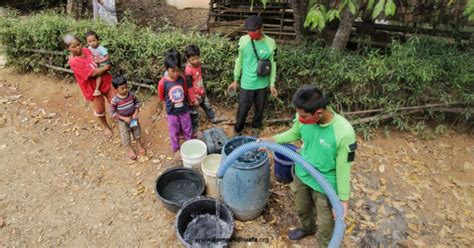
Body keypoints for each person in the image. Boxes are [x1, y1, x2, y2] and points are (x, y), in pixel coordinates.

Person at [259, 85, 357, 247]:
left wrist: (343, 200)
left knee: (326, 225)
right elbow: (294, 133)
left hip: (325, 185)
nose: (299, 118)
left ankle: (326, 244)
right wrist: (272, 140)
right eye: (298, 114)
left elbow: (344, 168)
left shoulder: (343, 132)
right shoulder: (303, 116)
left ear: (318, 112)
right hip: (302, 174)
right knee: (302, 209)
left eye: (303, 116)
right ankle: (307, 228)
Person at [228, 15, 278, 136]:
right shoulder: (243, 40)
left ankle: (256, 127)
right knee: (242, 109)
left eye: (254, 31)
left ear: (261, 28)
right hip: (247, 83)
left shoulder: (271, 43)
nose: (251, 33)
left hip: (262, 84)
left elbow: (273, 63)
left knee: (259, 109)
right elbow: (239, 60)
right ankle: (238, 129)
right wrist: (235, 79)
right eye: (249, 31)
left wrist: (272, 84)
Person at [65, 34, 115, 138]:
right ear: (68, 48)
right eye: (73, 47)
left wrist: (102, 62)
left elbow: (97, 56)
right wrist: (106, 68)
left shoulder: (87, 50)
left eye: (78, 44)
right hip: (92, 88)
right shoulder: (74, 62)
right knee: (99, 109)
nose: (78, 48)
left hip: (105, 80)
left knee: (114, 100)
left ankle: (119, 117)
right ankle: (105, 126)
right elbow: (92, 73)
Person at [157, 49, 198, 160]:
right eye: (172, 71)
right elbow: (162, 97)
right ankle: (176, 149)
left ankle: (189, 144)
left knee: (187, 128)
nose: (175, 74)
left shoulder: (182, 79)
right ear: (166, 69)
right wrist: (165, 109)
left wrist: (190, 101)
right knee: (174, 131)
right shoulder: (163, 83)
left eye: (177, 70)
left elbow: (185, 92)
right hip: (172, 113)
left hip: (184, 110)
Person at [184, 44, 224, 137]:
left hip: (201, 92)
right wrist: (193, 99)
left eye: (197, 58)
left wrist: (202, 90)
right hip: (194, 96)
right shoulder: (188, 71)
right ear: (188, 59)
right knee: (194, 114)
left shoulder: (198, 65)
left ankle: (213, 118)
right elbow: (189, 87)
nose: (196, 61)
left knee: (207, 106)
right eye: (193, 59)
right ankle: (195, 130)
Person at [110, 75, 145, 160]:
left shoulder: (131, 95)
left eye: (126, 87)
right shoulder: (115, 101)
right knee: (125, 134)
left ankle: (138, 144)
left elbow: (137, 103)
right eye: (122, 88)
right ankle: (129, 148)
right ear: (115, 90)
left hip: (133, 118)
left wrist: (136, 112)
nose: (125, 90)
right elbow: (112, 112)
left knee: (136, 130)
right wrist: (124, 118)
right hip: (123, 121)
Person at [85, 31, 110, 97]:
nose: (92, 43)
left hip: (103, 63)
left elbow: (107, 57)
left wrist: (101, 60)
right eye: (89, 41)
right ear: (87, 42)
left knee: (98, 73)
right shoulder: (89, 48)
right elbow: (90, 56)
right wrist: (94, 60)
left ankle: (97, 89)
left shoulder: (101, 49)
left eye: (94, 40)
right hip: (96, 62)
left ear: (98, 40)